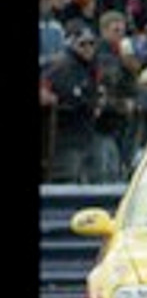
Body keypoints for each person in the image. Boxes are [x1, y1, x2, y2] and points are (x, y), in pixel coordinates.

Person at [46, 24, 104, 182]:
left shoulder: (90, 67)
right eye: (82, 44)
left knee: (90, 180)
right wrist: (89, 102)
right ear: (71, 44)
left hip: (85, 134)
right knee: (66, 180)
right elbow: (69, 97)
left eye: (92, 43)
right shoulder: (63, 67)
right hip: (66, 138)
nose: (88, 48)